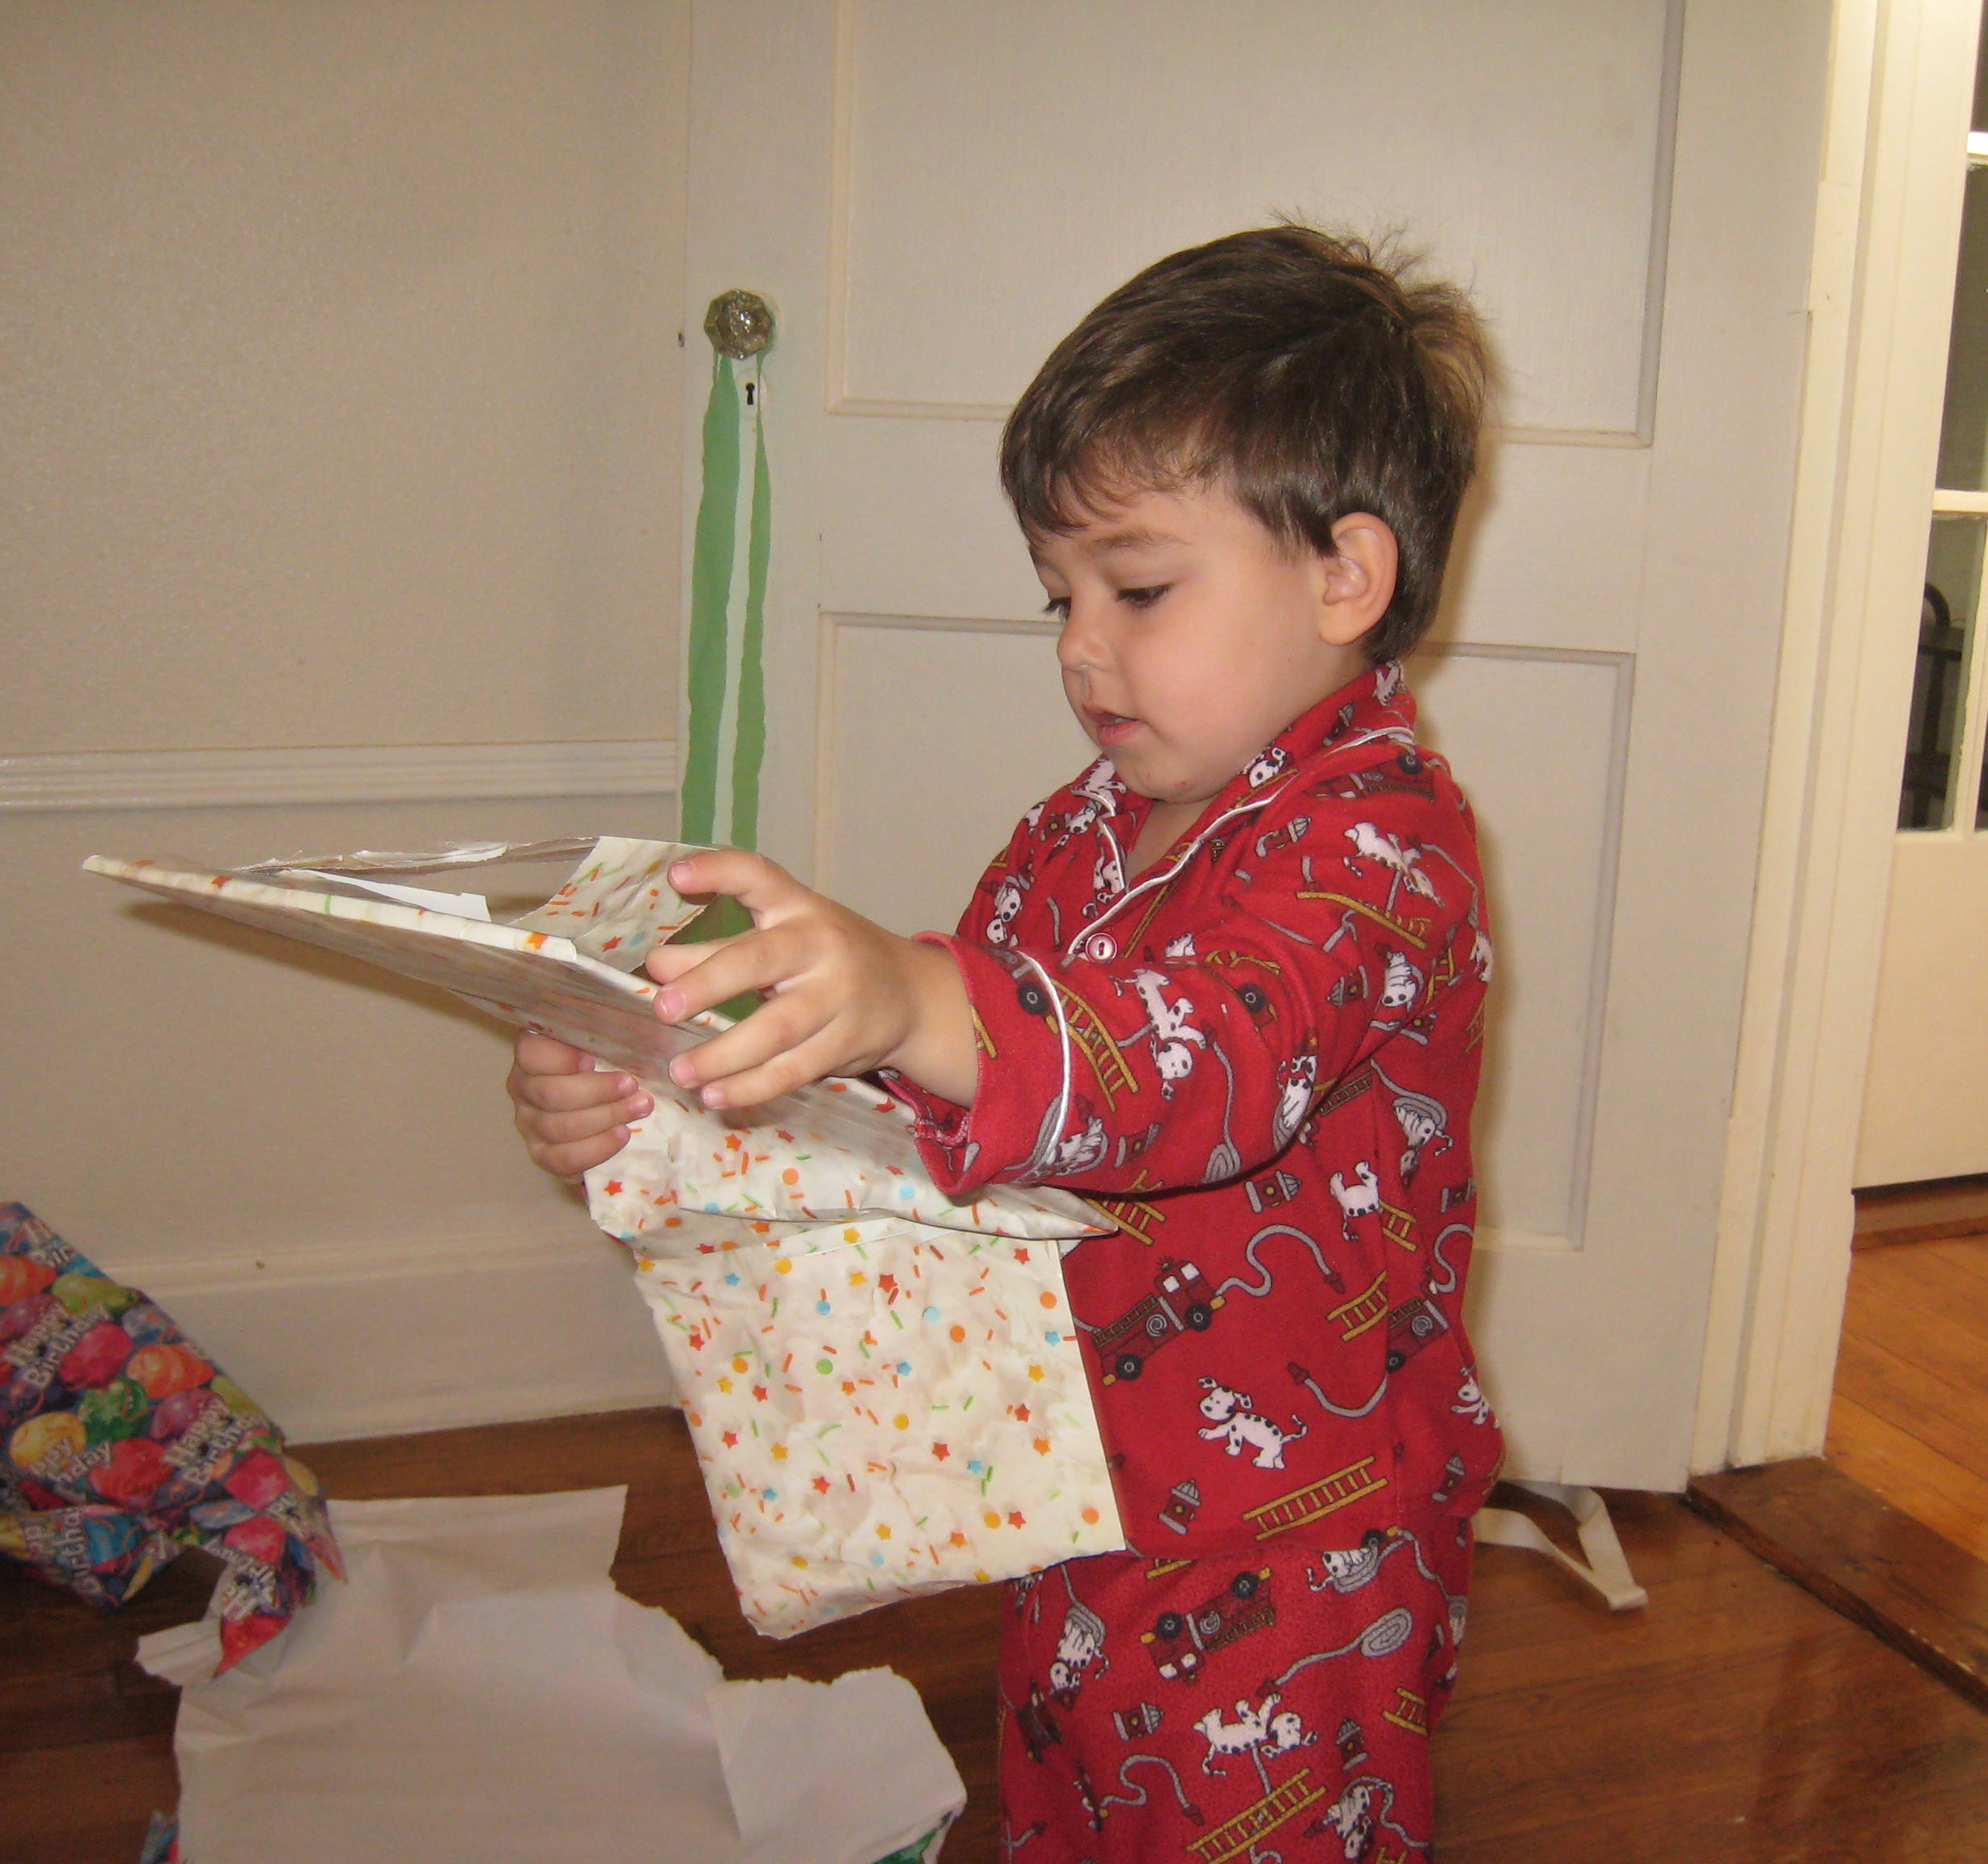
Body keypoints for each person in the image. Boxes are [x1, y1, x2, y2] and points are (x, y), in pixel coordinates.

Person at [511, 225, 1500, 1861]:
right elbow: (945, 1104)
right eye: (1061, 596)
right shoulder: (1082, 831)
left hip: (1300, 1537)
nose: (1079, 647)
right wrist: (673, 1083)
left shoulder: (1382, 842)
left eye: (1139, 589)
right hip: (1074, 1469)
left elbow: (1209, 1058)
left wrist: (916, 993)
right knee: (1081, 1797)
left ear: (1346, 575)